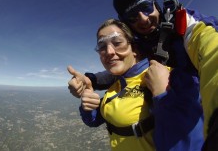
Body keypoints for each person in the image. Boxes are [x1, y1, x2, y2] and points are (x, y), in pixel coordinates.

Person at [69, 0, 218, 150]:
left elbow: (211, 49)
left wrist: (163, 94)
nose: (143, 18)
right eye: (131, 16)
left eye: (146, 7)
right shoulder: (122, 78)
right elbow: (124, 72)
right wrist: (90, 83)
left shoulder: (188, 26)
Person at [68, 19, 204, 151]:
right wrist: (88, 104)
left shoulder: (166, 77)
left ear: (134, 49)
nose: (109, 51)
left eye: (117, 42)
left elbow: (191, 140)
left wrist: (163, 94)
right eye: (102, 46)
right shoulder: (115, 85)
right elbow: (97, 120)